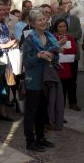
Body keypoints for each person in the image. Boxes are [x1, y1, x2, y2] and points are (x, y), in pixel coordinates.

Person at [22, 9, 58, 152]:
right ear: (32, 23)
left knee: (43, 110)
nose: (43, 22)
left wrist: (53, 54)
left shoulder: (50, 37)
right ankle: (30, 141)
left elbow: (55, 56)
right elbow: (26, 62)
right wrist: (39, 56)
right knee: (31, 111)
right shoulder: (30, 39)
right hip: (34, 79)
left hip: (46, 78)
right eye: (39, 20)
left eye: (44, 19)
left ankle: (41, 138)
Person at [52, 18, 78, 115]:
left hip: (67, 68)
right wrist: (60, 46)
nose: (63, 28)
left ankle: (60, 114)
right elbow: (52, 50)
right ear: (56, 27)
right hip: (56, 68)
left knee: (64, 91)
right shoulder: (53, 37)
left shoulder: (70, 37)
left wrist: (62, 50)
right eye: (60, 26)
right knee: (57, 93)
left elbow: (74, 50)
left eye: (64, 26)